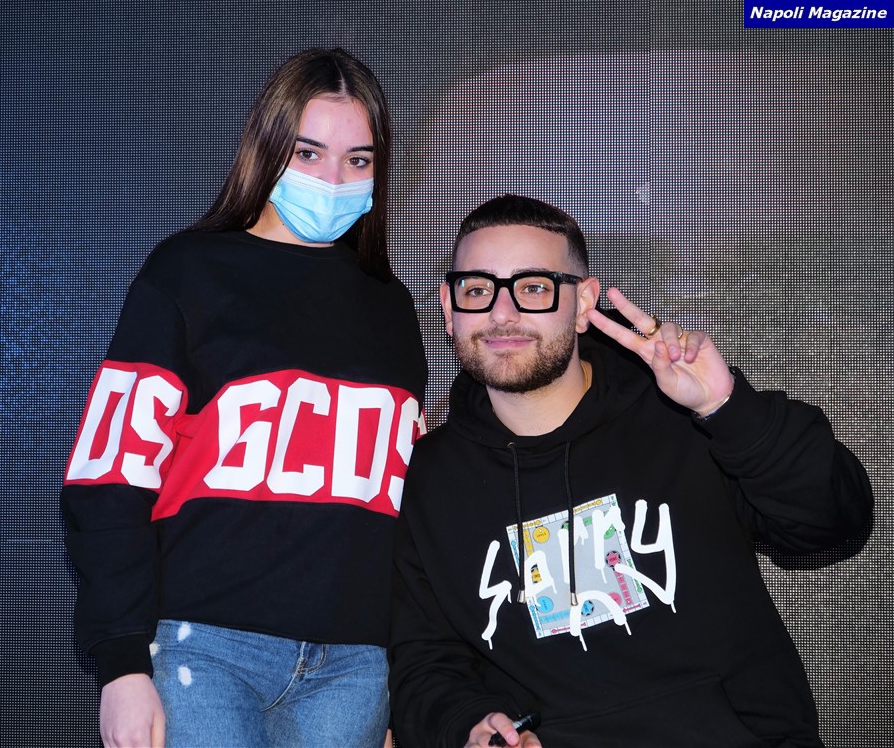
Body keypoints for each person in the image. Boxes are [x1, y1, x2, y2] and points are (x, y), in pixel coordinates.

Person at [387, 194, 872, 748]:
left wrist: (727, 408)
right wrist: (468, 725)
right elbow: (426, 661)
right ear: (449, 309)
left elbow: (834, 524)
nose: (502, 313)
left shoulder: (682, 417)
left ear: (584, 302)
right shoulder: (431, 477)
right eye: (478, 290)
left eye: (534, 288)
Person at [61, 47, 427, 748]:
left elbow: (400, 505)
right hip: (207, 650)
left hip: (354, 666)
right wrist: (122, 664)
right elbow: (110, 476)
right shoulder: (188, 273)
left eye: (358, 159)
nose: (332, 179)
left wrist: (400, 682)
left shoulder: (391, 305)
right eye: (308, 152)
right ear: (267, 148)